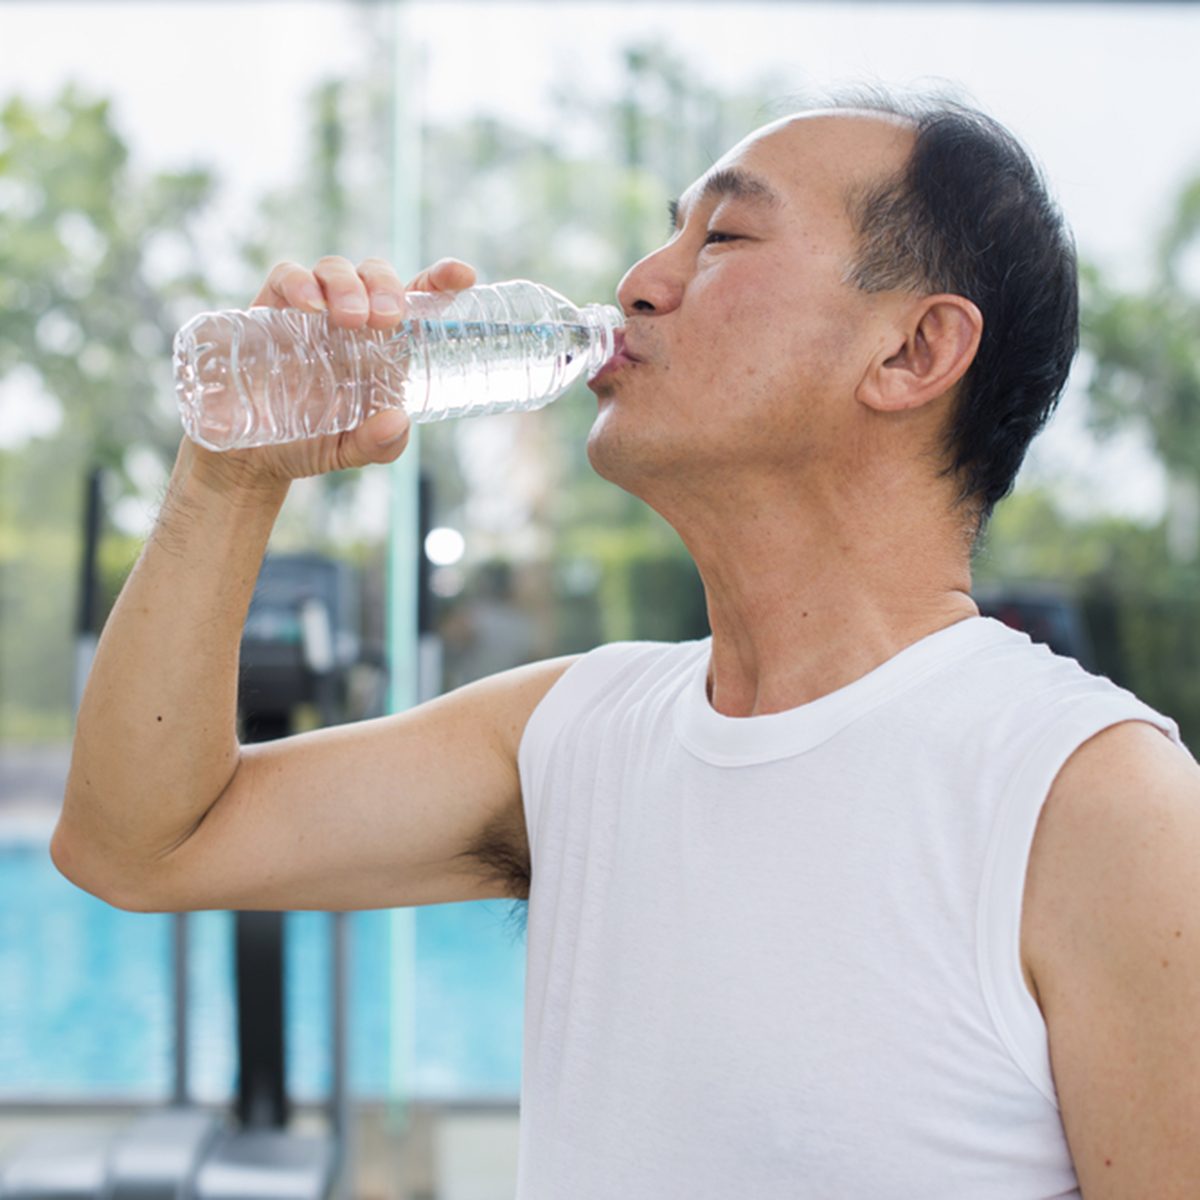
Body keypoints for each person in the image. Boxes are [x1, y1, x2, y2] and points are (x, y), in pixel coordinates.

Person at [53, 88, 1200, 1198]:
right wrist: (234, 473)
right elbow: (137, 843)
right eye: (670, 237)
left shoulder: (1093, 802)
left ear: (912, 353)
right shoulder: (573, 732)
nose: (642, 283)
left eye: (727, 236)